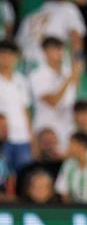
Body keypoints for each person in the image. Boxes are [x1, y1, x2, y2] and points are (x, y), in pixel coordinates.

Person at [29, 37, 83, 148]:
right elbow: (53, 101)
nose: (58, 53)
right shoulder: (37, 75)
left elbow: (72, 97)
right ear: (44, 52)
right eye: (54, 49)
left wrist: (73, 77)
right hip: (47, 129)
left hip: (68, 128)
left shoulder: (67, 71)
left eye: (60, 49)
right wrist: (68, 79)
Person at [0, 41, 32, 173]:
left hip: (23, 138)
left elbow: (25, 110)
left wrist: (31, 136)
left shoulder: (21, 80)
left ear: (17, 58)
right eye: (3, 54)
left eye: (11, 55)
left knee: (23, 176)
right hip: (2, 138)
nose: (7, 58)